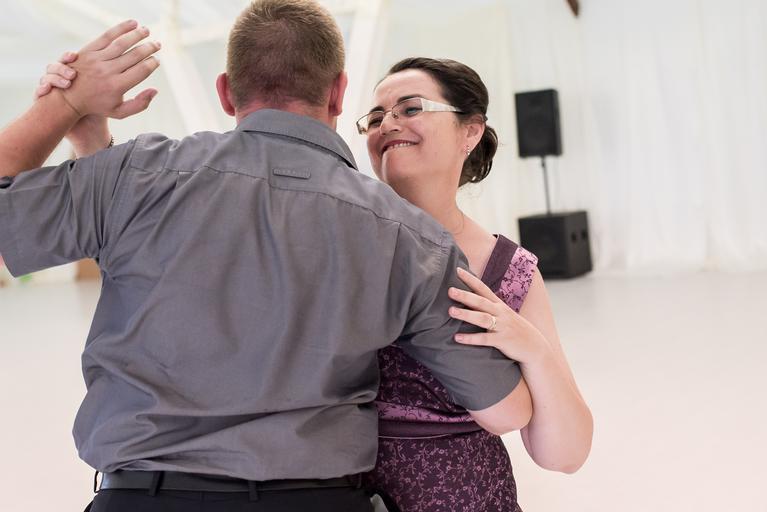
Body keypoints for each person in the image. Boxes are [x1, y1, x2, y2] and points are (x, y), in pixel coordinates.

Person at [0, 3, 532, 512]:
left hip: (140, 496)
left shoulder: (135, 175)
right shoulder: (410, 236)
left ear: (226, 92)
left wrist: (65, 107)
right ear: (339, 92)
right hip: (319, 500)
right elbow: (502, 406)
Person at [354, 58, 594, 510]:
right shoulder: (342, 244)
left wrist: (535, 350)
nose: (388, 124)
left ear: (470, 131)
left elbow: (565, 455)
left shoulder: (510, 269)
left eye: (410, 108)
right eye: (376, 116)